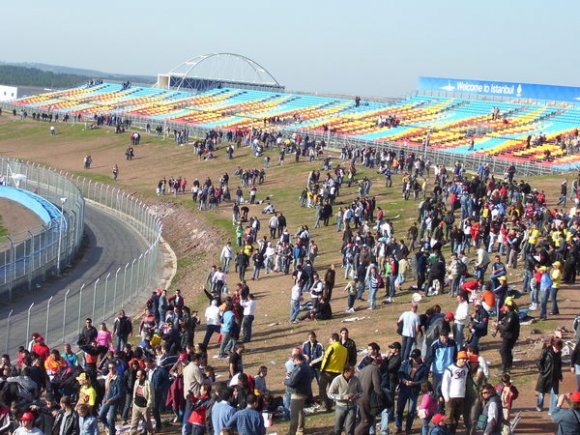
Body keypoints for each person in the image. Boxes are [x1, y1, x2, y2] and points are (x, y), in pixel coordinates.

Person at [396, 349, 429, 434]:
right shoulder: (406, 363)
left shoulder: (424, 367)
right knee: (399, 409)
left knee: (411, 411)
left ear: (419, 357)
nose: (413, 359)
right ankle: (398, 426)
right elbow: (400, 373)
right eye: (412, 357)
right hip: (403, 389)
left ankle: (408, 429)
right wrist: (404, 381)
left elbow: (424, 380)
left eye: (415, 357)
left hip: (414, 391)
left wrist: (413, 383)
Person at [328, 364, 362, 435]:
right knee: (337, 429)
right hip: (340, 408)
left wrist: (356, 396)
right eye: (352, 371)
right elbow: (330, 394)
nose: (354, 373)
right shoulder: (337, 380)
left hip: (352, 407)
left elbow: (361, 392)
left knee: (350, 430)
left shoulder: (356, 379)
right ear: (346, 372)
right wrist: (341, 397)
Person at [441, 350, 469, 434]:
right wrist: (446, 397)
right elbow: (445, 384)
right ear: (458, 359)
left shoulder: (466, 368)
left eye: (465, 359)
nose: (464, 360)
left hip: (461, 397)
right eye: (462, 359)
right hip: (451, 397)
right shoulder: (450, 369)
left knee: (456, 419)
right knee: (449, 419)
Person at [319, 333, 348, 412]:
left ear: (334, 340)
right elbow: (345, 361)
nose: (329, 342)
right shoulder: (344, 349)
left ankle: (324, 405)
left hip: (327, 372)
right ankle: (330, 406)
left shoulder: (331, 347)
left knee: (322, 389)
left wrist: (322, 370)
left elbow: (325, 359)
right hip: (338, 372)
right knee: (332, 390)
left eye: (330, 340)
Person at [285, 353, 312, 435]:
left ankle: (292, 432)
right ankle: (300, 430)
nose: (293, 363)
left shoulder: (300, 367)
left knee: (294, 414)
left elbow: (292, 382)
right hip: (304, 392)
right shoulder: (306, 366)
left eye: (294, 361)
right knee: (300, 412)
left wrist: (285, 380)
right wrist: (292, 375)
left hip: (298, 393)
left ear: (297, 360)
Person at [355, 357, 383, 435]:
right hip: (368, 398)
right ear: (373, 361)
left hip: (360, 398)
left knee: (364, 420)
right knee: (366, 421)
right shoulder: (374, 369)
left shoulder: (362, 370)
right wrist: (380, 396)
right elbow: (377, 385)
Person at [535, 337, 563, 414]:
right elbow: (538, 361)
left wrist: (560, 374)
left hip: (554, 377)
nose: (558, 350)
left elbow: (559, 364)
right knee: (541, 393)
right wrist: (542, 370)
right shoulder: (546, 351)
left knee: (555, 395)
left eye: (559, 349)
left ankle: (552, 410)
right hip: (545, 376)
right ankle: (539, 406)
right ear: (553, 345)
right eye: (557, 349)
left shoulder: (559, 353)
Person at [99, 362, 125, 435]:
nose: (111, 369)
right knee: (101, 415)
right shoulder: (108, 376)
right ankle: (112, 429)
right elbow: (107, 389)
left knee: (110, 419)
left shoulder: (118, 378)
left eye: (112, 368)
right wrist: (104, 398)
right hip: (107, 399)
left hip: (113, 401)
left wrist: (112, 399)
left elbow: (120, 393)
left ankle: (112, 432)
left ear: (116, 367)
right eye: (109, 368)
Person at [495, 300, 520, 374]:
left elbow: (507, 327)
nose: (504, 307)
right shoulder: (509, 314)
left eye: (505, 306)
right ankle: (508, 366)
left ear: (508, 307)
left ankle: (505, 368)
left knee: (503, 351)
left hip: (510, 336)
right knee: (507, 350)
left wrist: (498, 325)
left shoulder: (511, 315)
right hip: (510, 335)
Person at [129, 368, 154, 435]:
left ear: (143, 376)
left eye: (138, 376)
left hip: (145, 407)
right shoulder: (136, 381)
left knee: (148, 423)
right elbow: (134, 391)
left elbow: (151, 396)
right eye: (136, 375)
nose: (136, 377)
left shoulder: (148, 384)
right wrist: (133, 401)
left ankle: (150, 433)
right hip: (136, 405)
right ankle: (132, 433)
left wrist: (148, 406)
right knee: (133, 423)